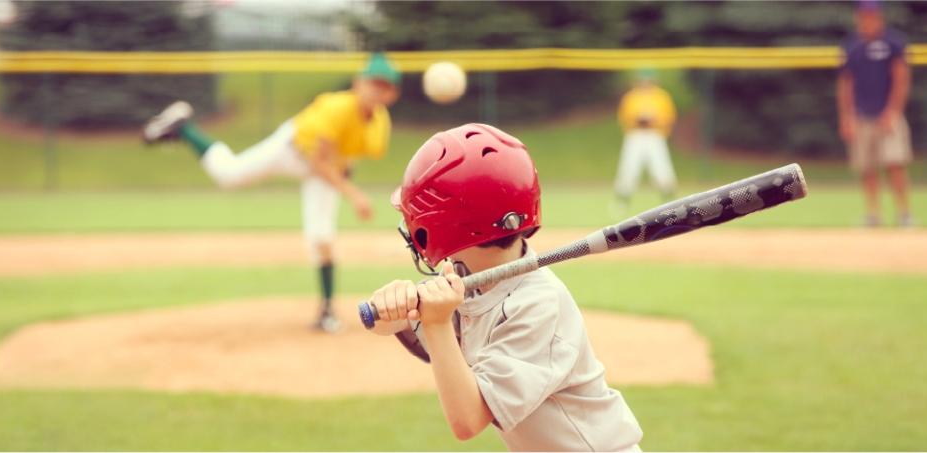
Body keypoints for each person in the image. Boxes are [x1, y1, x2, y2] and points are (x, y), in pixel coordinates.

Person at [367, 124, 644, 451]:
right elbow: (384, 322)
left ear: (447, 224)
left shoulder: (537, 305)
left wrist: (437, 322)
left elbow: (468, 420)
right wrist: (393, 304)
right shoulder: (467, 278)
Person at [141, 53, 401, 333]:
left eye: (384, 86)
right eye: (372, 83)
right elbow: (318, 160)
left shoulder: (380, 125)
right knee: (229, 174)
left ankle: (326, 312)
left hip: (324, 169)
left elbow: (347, 154)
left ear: (392, 94)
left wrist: (345, 177)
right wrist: (353, 194)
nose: (377, 90)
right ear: (357, 83)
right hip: (292, 149)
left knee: (322, 237)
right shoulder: (336, 107)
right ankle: (184, 128)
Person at [837, 1, 914, 227]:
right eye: (863, 16)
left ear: (879, 17)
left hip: (887, 116)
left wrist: (893, 111)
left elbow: (901, 79)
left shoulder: (893, 43)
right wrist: (846, 116)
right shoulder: (852, 46)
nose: (867, 20)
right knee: (867, 167)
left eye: (871, 16)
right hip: (861, 116)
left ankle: (904, 213)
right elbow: (845, 84)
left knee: (895, 163)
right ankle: (873, 215)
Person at [612, 68, 678, 215]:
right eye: (643, 80)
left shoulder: (662, 96)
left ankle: (671, 206)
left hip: (655, 135)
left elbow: (669, 117)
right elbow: (624, 117)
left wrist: (655, 120)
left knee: (662, 171)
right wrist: (638, 120)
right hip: (635, 136)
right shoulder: (631, 97)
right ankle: (621, 204)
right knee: (628, 170)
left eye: (648, 80)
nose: (645, 83)